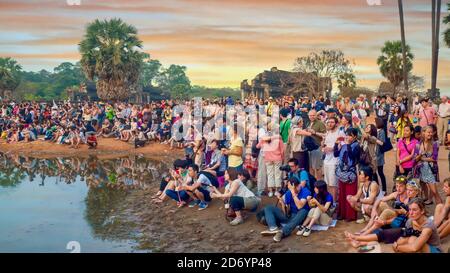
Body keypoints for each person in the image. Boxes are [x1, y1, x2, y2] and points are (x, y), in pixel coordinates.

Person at [344, 180, 421, 247]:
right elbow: (402, 215)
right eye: (408, 190)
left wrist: (386, 221)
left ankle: (359, 239)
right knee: (381, 231)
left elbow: (410, 219)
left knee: (383, 233)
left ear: (417, 191)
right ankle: (360, 239)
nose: (408, 192)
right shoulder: (410, 200)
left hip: (406, 228)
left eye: (411, 190)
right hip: (400, 223)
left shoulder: (415, 203)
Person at [259, 176, 311, 242]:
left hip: (300, 216)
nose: (289, 188)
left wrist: (293, 193)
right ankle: (273, 227)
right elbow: (284, 210)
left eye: (290, 186)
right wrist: (282, 202)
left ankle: (282, 232)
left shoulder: (305, 191)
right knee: (269, 208)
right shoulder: (289, 192)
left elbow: (299, 206)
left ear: (296, 185)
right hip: (291, 215)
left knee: (304, 211)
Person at [334, 128, 361, 221]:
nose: (348, 137)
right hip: (342, 172)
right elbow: (335, 154)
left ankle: (350, 215)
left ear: (355, 136)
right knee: (342, 193)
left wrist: (348, 145)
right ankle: (342, 214)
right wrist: (336, 143)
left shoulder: (357, 145)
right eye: (347, 134)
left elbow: (352, 157)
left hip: (351, 173)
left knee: (350, 193)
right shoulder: (344, 145)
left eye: (350, 135)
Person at [415, 126, 442, 205]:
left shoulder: (435, 144)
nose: (430, 134)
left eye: (431, 132)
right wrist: (419, 156)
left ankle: (442, 209)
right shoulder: (418, 144)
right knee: (422, 185)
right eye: (428, 132)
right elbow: (415, 159)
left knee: (435, 192)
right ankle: (426, 199)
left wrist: (422, 159)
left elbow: (434, 158)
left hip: (430, 171)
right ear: (423, 133)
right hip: (421, 170)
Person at [256, 123, 284, 197]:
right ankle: (277, 191)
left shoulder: (265, 138)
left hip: (268, 159)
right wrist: (282, 158)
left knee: (270, 175)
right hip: (277, 158)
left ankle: (270, 191)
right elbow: (282, 150)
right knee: (277, 174)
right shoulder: (278, 138)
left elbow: (258, 146)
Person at [320, 116, 339, 202]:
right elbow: (323, 146)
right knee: (328, 183)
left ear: (336, 123)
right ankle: (330, 202)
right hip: (326, 161)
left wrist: (331, 149)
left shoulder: (339, 133)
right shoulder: (327, 133)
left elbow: (341, 146)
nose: (330, 124)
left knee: (333, 184)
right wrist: (323, 146)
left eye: (332, 122)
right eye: (328, 122)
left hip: (334, 161)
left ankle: (334, 203)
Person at [307, 110, 326, 179]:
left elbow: (325, 135)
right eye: (310, 115)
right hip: (309, 148)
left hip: (317, 148)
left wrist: (315, 132)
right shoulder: (308, 123)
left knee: (317, 167)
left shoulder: (320, 123)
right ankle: (313, 184)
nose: (312, 117)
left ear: (316, 115)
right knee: (311, 167)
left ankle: (319, 184)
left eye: (313, 115)